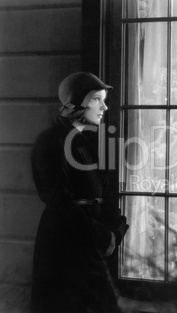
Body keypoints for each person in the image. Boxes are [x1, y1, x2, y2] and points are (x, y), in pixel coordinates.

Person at [31, 72, 129, 313]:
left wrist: (113, 230)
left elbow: (105, 192)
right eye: (97, 99)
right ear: (76, 103)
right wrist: (100, 235)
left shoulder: (90, 141)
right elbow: (58, 202)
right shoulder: (50, 142)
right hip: (64, 246)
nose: (104, 107)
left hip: (90, 243)